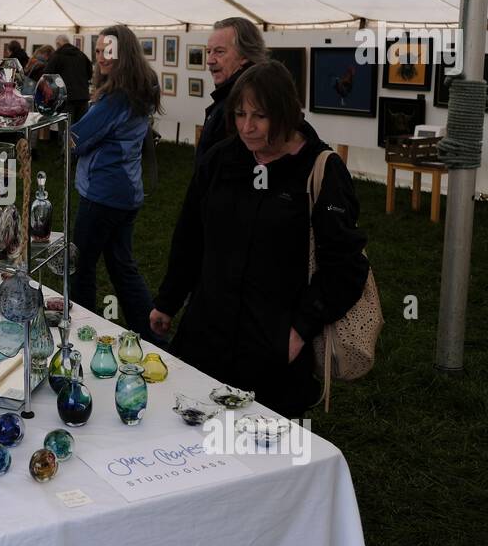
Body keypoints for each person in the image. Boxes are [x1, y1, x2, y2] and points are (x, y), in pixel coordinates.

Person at [149, 62, 369, 417]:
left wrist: (299, 330)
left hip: (271, 348)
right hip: (207, 334)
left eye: (260, 117)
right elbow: (191, 234)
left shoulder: (319, 170)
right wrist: (169, 300)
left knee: (262, 449)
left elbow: (346, 266)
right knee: (192, 437)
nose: (247, 127)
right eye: (239, 114)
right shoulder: (222, 159)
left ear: (285, 115)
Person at [69, 25, 162, 342]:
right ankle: (153, 336)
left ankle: (82, 331)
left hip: (103, 195)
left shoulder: (117, 98)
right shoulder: (140, 87)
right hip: (126, 193)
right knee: (123, 267)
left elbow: (77, 139)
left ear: (124, 53)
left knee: (80, 265)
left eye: (107, 50)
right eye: (97, 51)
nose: (101, 57)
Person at [195, 16, 268, 162]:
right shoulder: (230, 96)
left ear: (245, 55)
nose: (210, 60)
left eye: (219, 52)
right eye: (209, 52)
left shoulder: (243, 102)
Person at [46, 34, 93, 126]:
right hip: (83, 97)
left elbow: (47, 76)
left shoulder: (57, 56)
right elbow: (90, 74)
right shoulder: (82, 55)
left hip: (65, 98)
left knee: (65, 130)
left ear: (58, 43)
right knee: (80, 129)